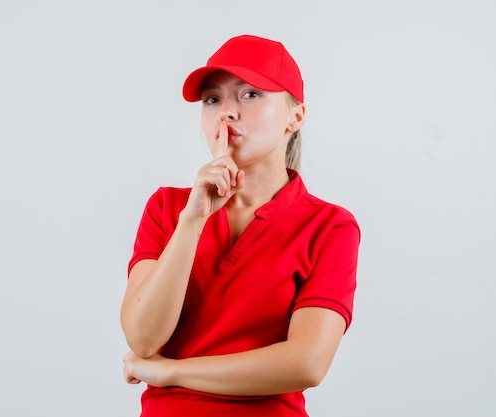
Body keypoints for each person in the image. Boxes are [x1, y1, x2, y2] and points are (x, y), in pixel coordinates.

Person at [120, 34, 360, 416]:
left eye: (250, 95)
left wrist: (171, 373)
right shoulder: (168, 208)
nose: (226, 113)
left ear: (295, 116)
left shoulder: (330, 226)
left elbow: (306, 364)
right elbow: (143, 337)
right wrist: (192, 220)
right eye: (213, 99)